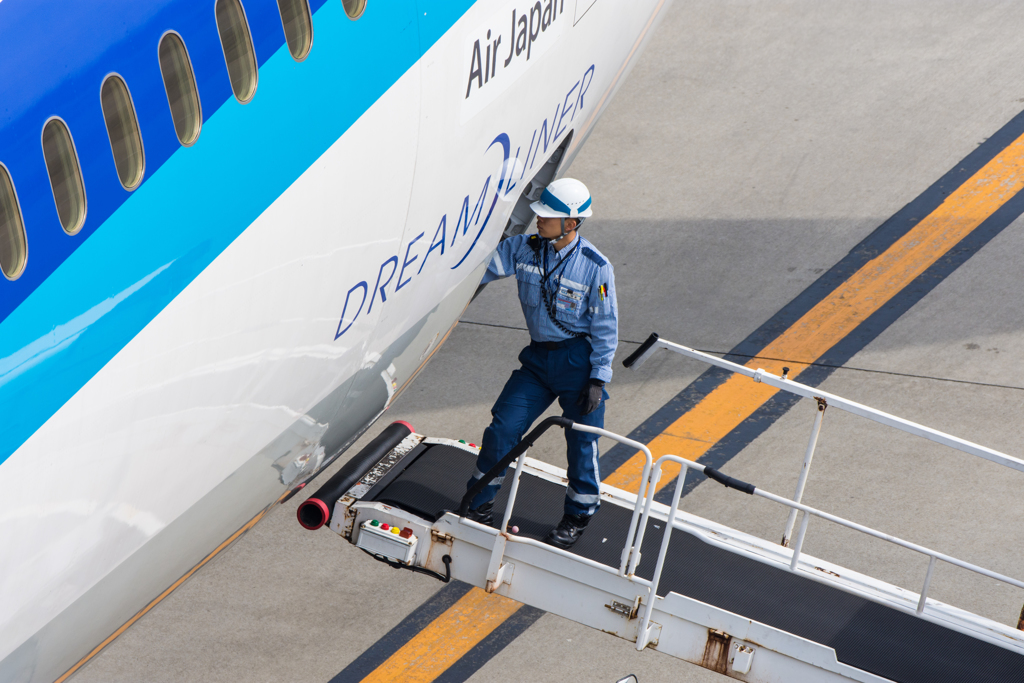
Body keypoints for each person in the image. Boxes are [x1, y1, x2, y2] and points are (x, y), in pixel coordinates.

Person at [464, 177, 617, 549]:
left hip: (577, 364)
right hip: (537, 360)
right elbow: (475, 269)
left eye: (547, 217)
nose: (538, 221)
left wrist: (598, 377)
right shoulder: (524, 248)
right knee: (503, 428)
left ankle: (579, 514)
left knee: (582, 442)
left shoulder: (596, 268)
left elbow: (606, 325)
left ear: (572, 223)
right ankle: (478, 503)